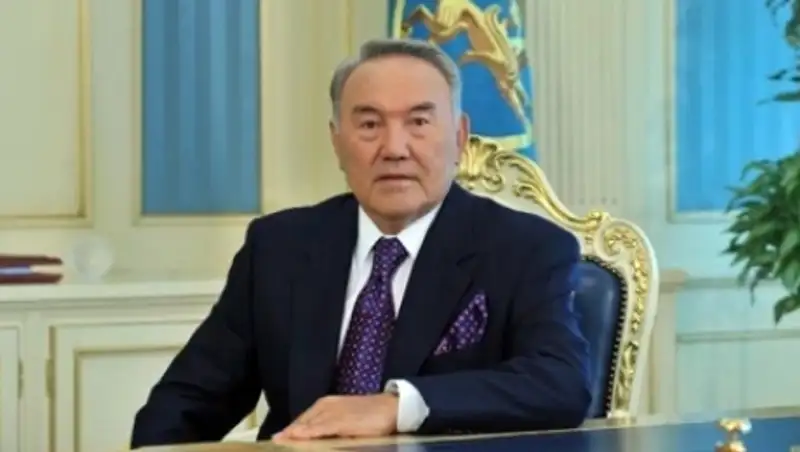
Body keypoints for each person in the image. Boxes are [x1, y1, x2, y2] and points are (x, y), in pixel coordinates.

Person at [130, 38, 591, 448]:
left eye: (418, 122)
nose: (394, 148)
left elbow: (561, 382)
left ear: (459, 137)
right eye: (369, 125)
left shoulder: (525, 249)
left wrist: (397, 406)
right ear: (336, 142)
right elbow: (186, 402)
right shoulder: (278, 247)